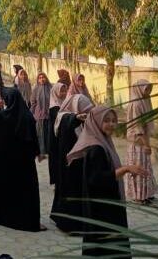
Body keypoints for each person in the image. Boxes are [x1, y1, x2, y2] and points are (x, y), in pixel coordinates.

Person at [67, 106, 146, 257]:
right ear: (96, 122)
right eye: (107, 121)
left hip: (103, 207)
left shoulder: (102, 142)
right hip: (103, 210)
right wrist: (125, 169)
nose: (111, 124)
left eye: (114, 121)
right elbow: (97, 179)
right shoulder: (96, 148)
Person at [0, 88, 45, 232]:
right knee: (26, 192)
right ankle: (29, 221)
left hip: (5, 161)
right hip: (25, 164)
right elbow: (33, 139)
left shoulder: (2, 115)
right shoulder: (28, 117)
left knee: (6, 189)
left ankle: (3, 217)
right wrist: (38, 153)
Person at [49, 94, 94, 233]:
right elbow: (68, 122)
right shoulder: (64, 117)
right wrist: (75, 118)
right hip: (69, 164)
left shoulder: (82, 120)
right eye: (84, 110)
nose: (86, 114)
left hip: (78, 164)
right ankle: (69, 224)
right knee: (70, 192)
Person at [125, 79, 157, 204]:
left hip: (144, 140)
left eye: (149, 89)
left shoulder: (145, 101)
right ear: (139, 89)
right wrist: (146, 144)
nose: (148, 91)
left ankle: (145, 193)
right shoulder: (136, 104)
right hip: (138, 142)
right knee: (138, 167)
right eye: (146, 89)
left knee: (145, 166)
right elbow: (138, 128)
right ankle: (138, 196)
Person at [47, 82, 67, 185]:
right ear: (55, 92)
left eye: (65, 90)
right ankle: (56, 181)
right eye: (61, 91)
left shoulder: (65, 103)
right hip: (55, 136)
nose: (64, 93)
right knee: (56, 157)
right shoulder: (53, 106)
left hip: (62, 135)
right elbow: (61, 119)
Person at [29, 72, 52, 158]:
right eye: (40, 78)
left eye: (43, 77)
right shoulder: (35, 89)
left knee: (48, 132)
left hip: (49, 114)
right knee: (40, 133)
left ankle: (48, 150)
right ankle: (41, 151)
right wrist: (32, 113)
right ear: (38, 79)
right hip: (39, 115)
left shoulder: (50, 88)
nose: (42, 79)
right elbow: (33, 102)